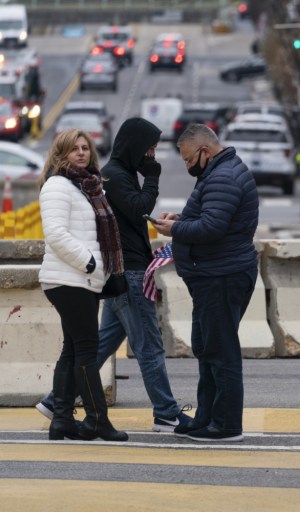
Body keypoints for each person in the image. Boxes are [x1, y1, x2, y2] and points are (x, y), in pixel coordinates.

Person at [36, 118, 192, 433]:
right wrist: (152, 180)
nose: (152, 156)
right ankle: (165, 412)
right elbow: (135, 209)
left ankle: (58, 402)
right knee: (148, 345)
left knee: (95, 345)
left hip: (117, 271)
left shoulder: (99, 180)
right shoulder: (114, 176)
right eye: (148, 149)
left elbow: (125, 218)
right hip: (123, 271)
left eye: (84, 148)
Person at [153, 123, 259, 442]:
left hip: (222, 276)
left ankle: (226, 424)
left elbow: (212, 227)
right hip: (213, 274)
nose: (187, 166)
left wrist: (174, 231)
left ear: (205, 151)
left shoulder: (223, 177)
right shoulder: (217, 173)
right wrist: (182, 220)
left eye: (187, 160)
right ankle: (205, 417)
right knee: (206, 347)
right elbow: (211, 219)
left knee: (220, 351)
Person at [38, 129, 128, 442]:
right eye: (73, 149)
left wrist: (93, 270)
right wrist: (90, 262)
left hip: (81, 279)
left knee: (73, 349)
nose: (81, 153)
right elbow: (56, 235)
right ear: (60, 155)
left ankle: (61, 419)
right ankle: (97, 420)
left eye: (85, 148)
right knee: (87, 350)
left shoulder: (86, 187)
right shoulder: (57, 186)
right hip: (68, 278)